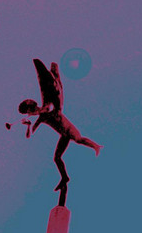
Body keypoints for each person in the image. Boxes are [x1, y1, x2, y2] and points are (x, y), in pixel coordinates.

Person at [18, 60, 101, 191]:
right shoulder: (41, 117)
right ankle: (64, 177)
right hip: (64, 135)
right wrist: (29, 125)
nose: (30, 112)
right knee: (56, 158)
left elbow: (48, 108)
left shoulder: (47, 105)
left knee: (78, 139)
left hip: (68, 129)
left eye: (29, 110)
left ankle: (96, 146)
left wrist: (34, 113)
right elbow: (29, 135)